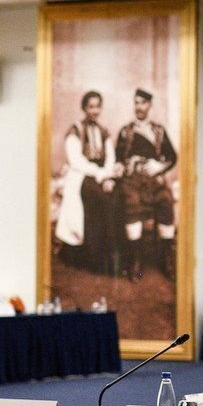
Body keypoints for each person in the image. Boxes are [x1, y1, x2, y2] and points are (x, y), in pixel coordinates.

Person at [115, 87, 178, 281]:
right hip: (132, 180)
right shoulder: (126, 131)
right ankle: (135, 262)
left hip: (154, 180)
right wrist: (121, 166)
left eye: (143, 103)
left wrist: (159, 167)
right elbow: (118, 158)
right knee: (132, 203)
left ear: (149, 105)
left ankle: (166, 260)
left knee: (166, 201)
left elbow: (172, 157)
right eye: (136, 103)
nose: (139, 107)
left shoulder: (158, 131)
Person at [54, 90, 117, 275]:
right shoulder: (75, 130)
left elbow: (110, 157)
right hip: (81, 175)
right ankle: (91, 259)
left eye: (98, 107)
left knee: (115, 196)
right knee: (97, 197)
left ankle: (109, 259)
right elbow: (76, 161)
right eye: (91, 107)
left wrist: (107, 175)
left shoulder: (103, 131)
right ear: (84, 108)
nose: (95, 111)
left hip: (100, 175)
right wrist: (99, 174)